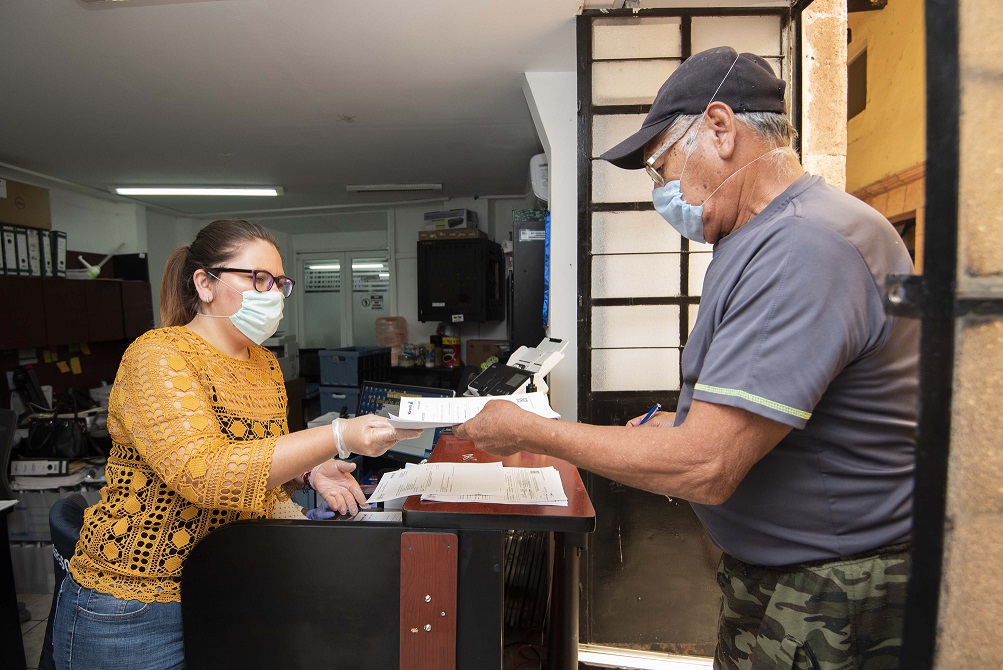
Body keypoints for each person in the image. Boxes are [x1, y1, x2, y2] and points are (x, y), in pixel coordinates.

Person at [454, 46, 918, 670]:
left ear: (721, 129)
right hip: (777, 571)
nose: (662, 192)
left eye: (661, 167)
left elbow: (708, 462)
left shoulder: (805, 245)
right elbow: (751, 413)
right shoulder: (755, 237)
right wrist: (676, 426)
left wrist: (529, 430)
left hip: (833, 587)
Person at [52, 219, 421, 669]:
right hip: (135, 606)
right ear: (204, 283)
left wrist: (308, 470)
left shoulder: (264, 365)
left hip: (225, 583)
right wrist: (337, 436)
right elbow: (205, 473)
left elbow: (253, 460)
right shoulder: (159, 355)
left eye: (278, 283)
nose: (270, 294)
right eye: (257, 278)